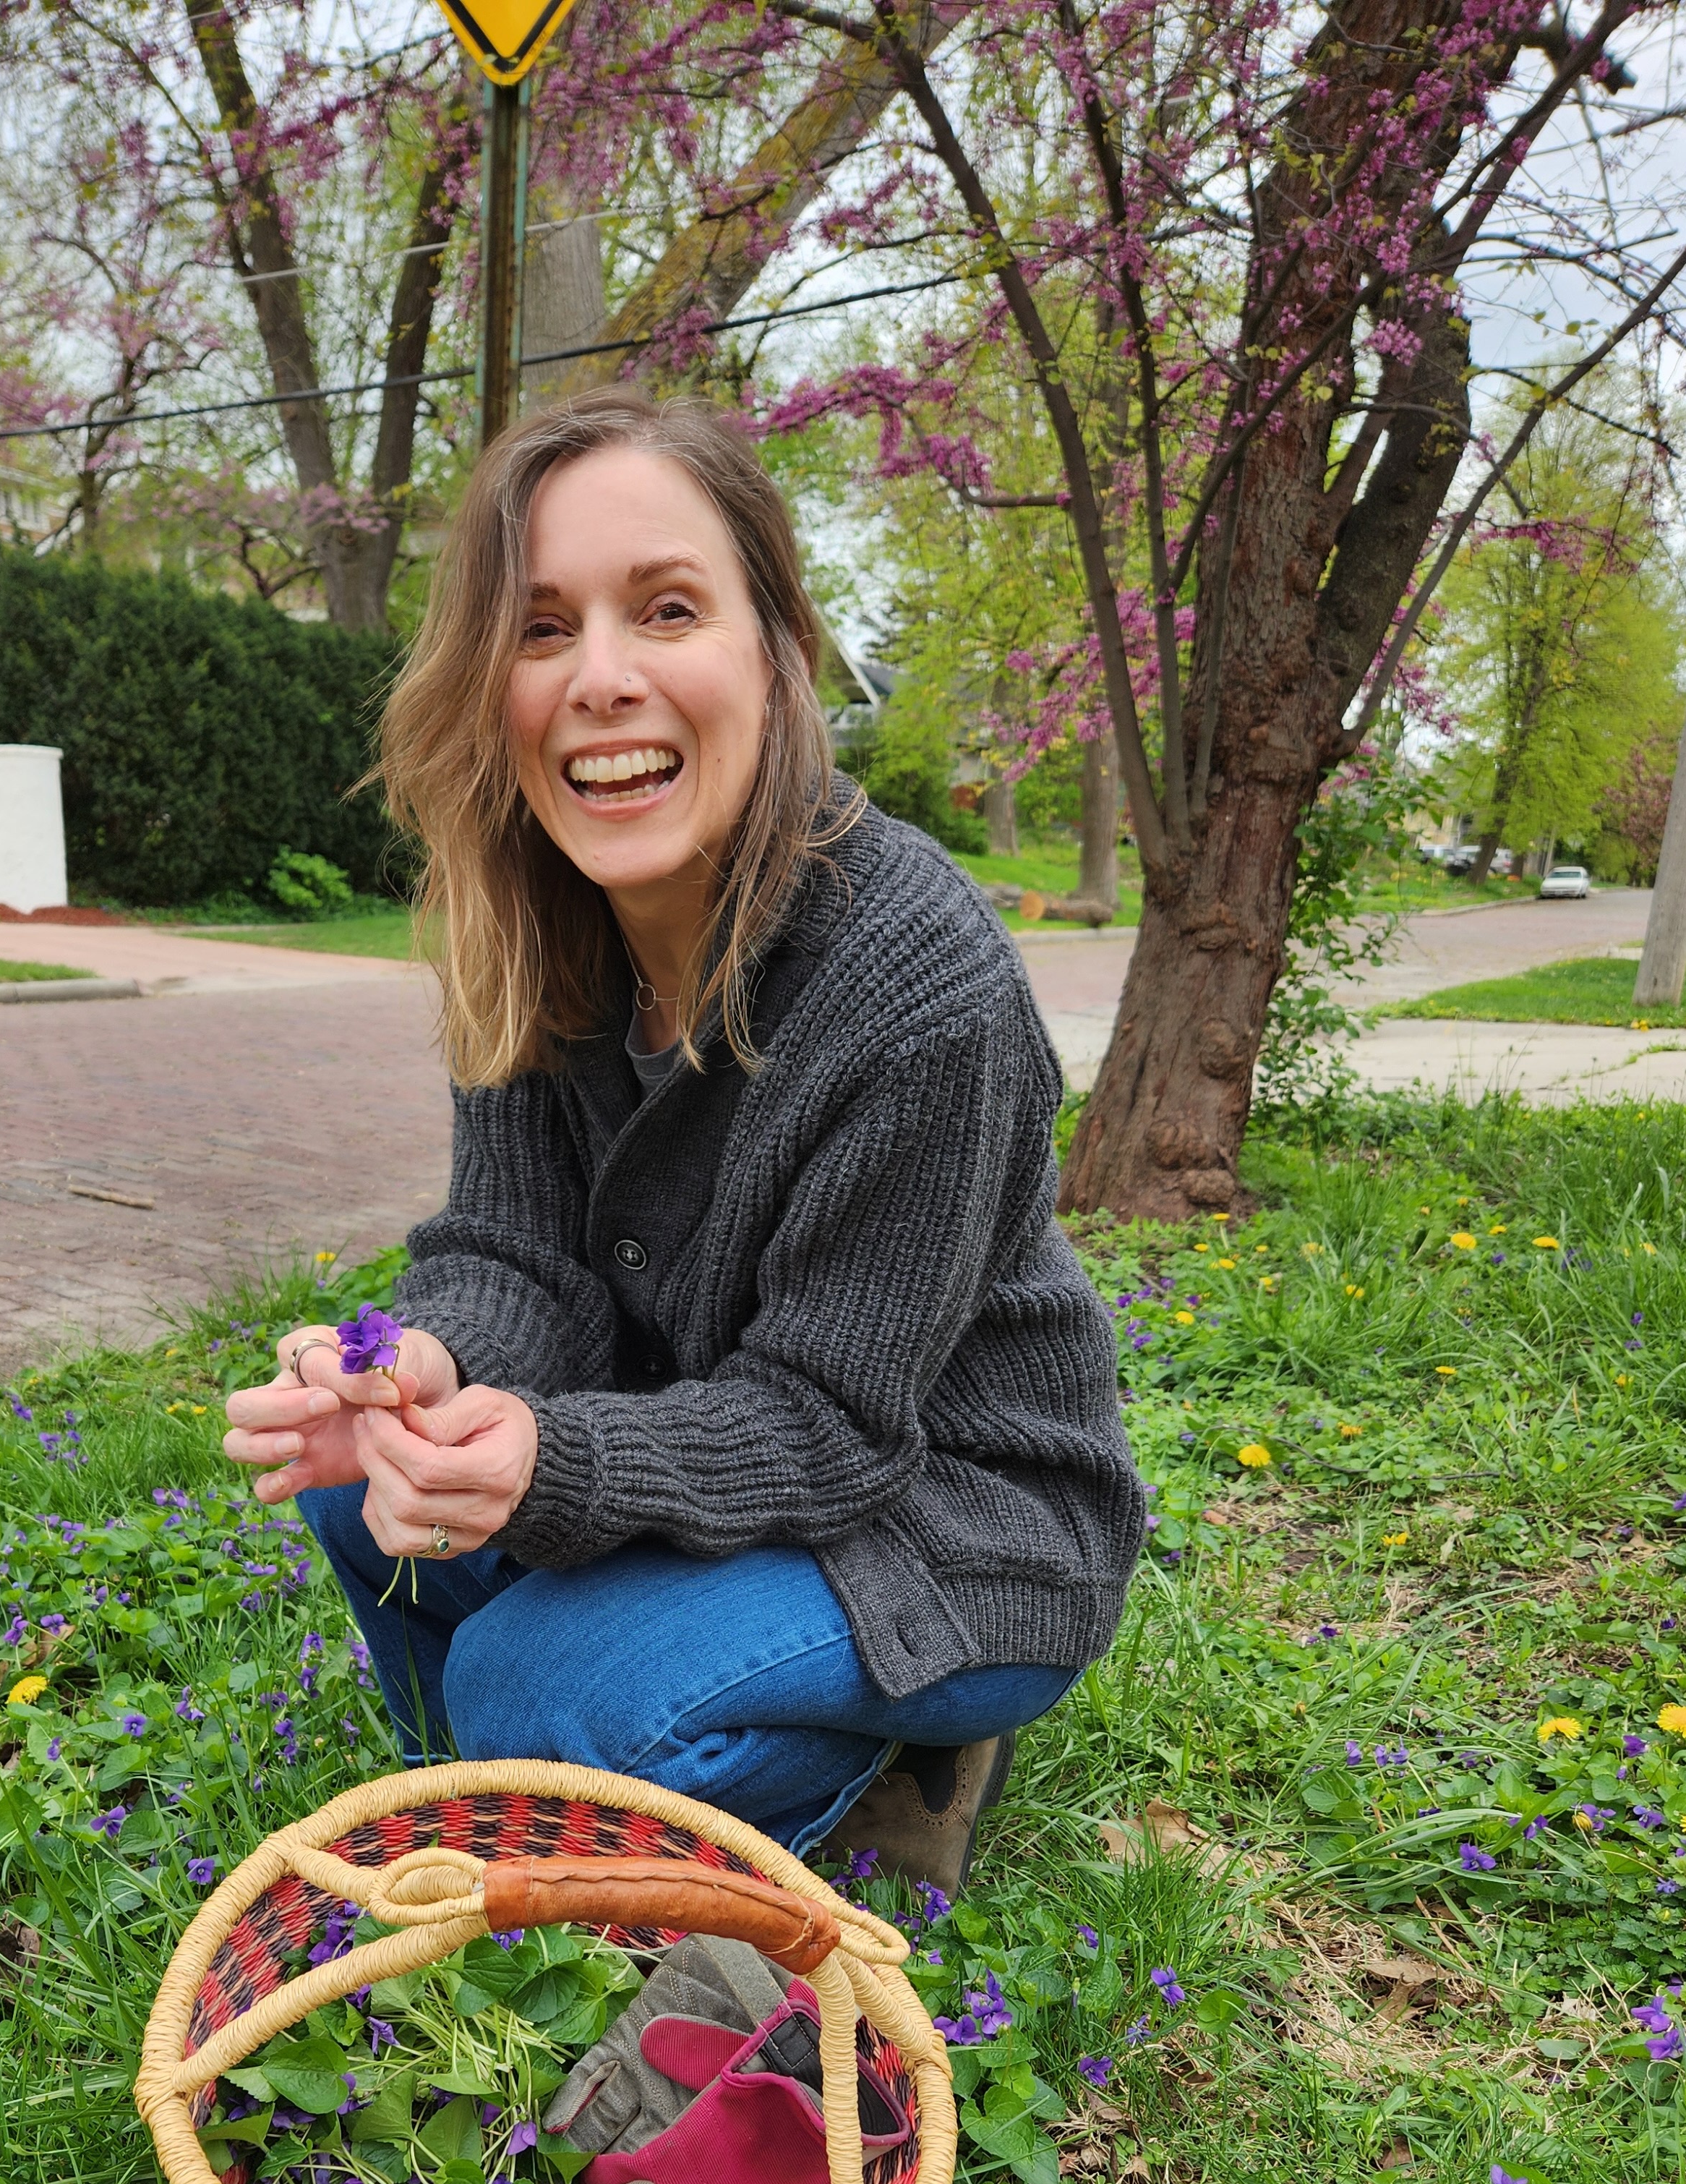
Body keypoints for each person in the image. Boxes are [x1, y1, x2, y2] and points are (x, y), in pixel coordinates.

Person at [222, 390, 1144, 1898]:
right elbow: (514, 1251)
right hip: (711, 1441)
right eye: (539, 628)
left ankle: (882, 1755)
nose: (601, 679)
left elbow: (831, 1424)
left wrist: (553, 1459)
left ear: (776, 653)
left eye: (664, 609)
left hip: (947, 1512)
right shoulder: (532, 915)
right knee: (363, 1490)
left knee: (535, 1687)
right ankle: (493, 1826)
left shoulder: (920, 984)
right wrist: (428, 1366)